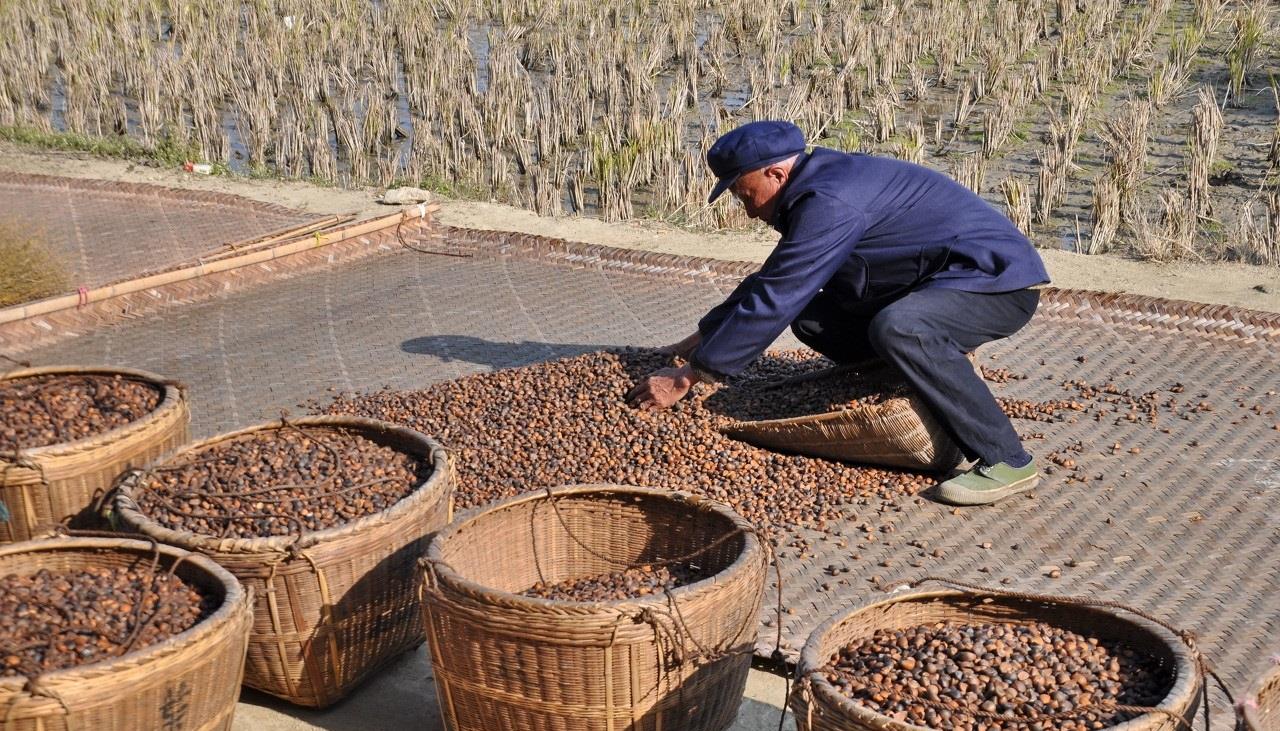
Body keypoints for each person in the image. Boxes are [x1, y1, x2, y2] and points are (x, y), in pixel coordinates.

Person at [626, 120, 1050, 506]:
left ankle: (1008, 461)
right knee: (813, 314)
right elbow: (775, 280)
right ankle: (906, 378)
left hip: (994, 284)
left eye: (745, 194)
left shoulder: (829, 201)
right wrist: (696, 343)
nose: (750, 210)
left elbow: (779, 294)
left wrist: (689, 377)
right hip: (932, 281)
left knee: (901, 328)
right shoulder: (816, 188)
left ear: (775, 174)